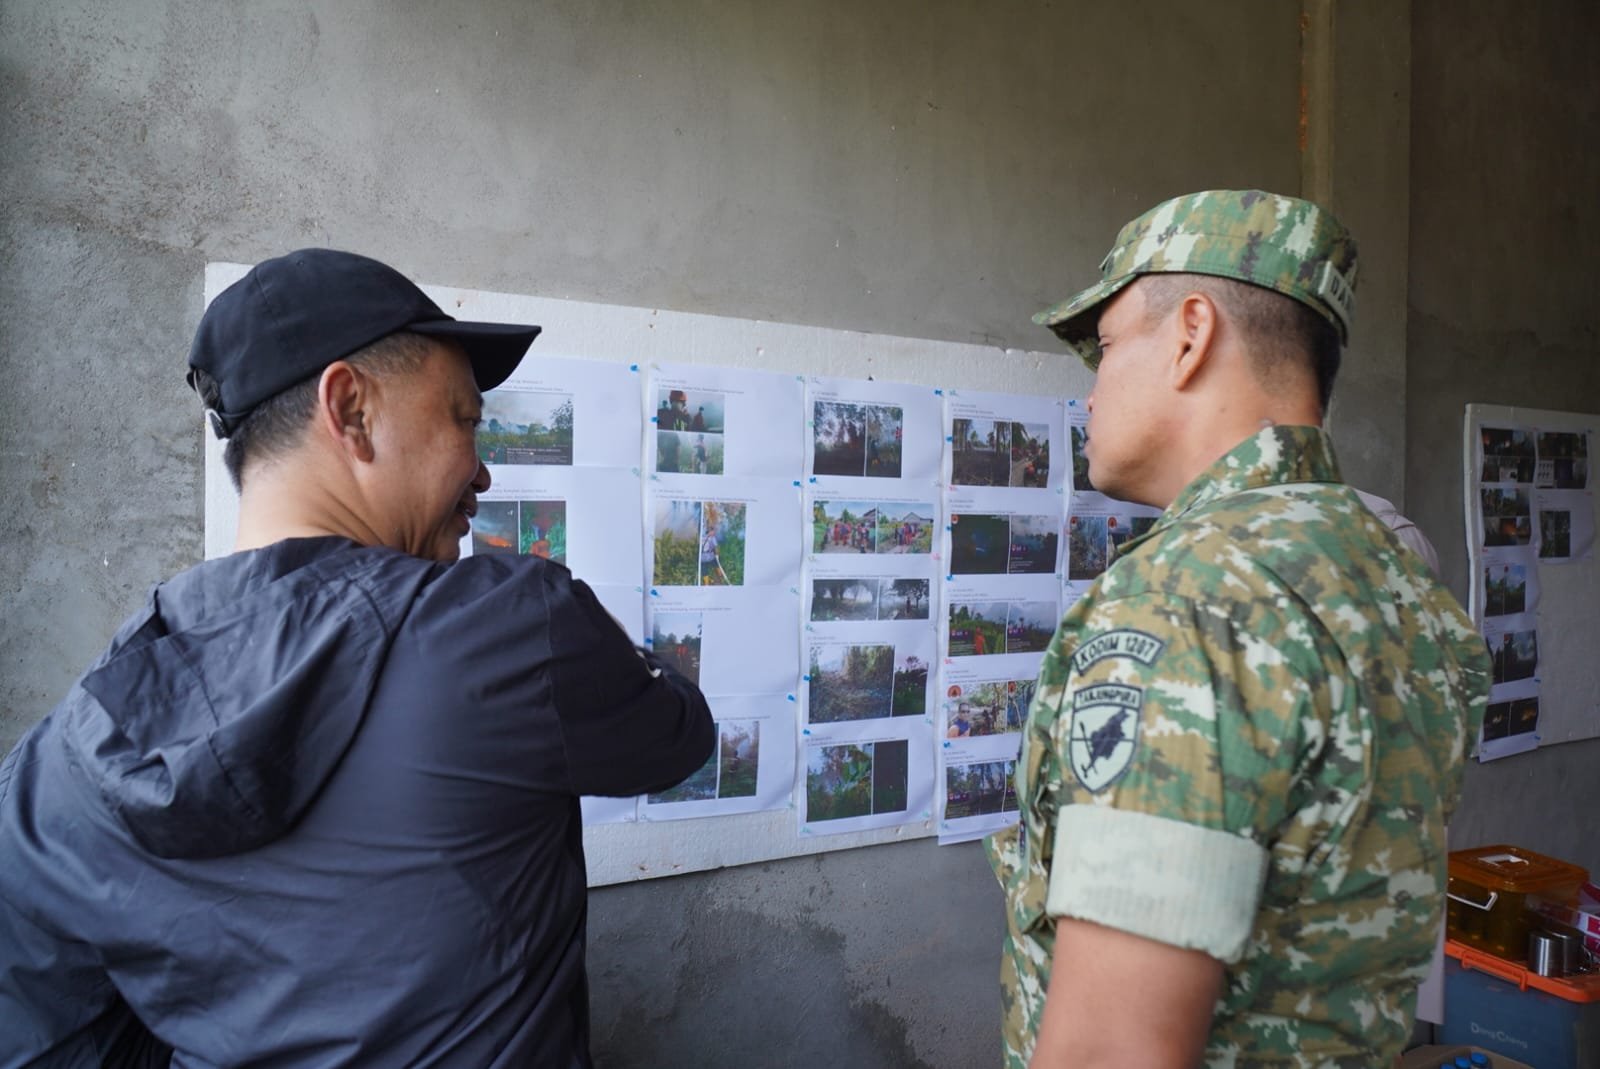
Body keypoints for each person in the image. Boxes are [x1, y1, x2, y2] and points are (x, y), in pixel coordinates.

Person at [0, 248, 715, 1067]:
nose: (481, 468)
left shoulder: (56, 766)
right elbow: (679, 735)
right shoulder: (510, 629)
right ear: (351, 409)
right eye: (464, 419)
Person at [988, 190, 1489, 1067]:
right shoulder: (1391, 574)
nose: (1091, 393)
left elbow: (1113, 1050)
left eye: (1103, 349)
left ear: (1190, 333)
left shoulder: (1191, 594)